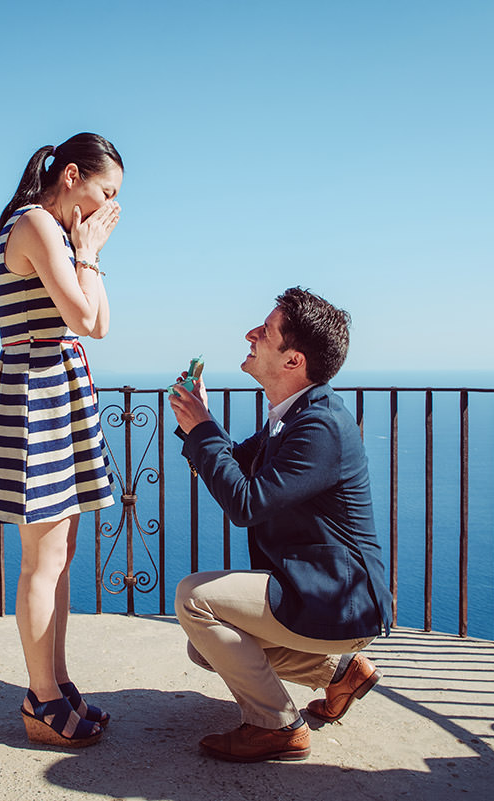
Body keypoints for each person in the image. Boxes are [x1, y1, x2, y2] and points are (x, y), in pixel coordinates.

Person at [167, 287, 393, 763]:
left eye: (265, 331)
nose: (251, 334)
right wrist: (198, 424)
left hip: (338, 600)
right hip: (320, 593)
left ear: (294, 360)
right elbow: (235, 463)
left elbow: (246, 503)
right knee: (204, 650)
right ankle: (341, 673)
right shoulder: (290, 418)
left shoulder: (319, 427)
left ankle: (275, 726)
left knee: (194, 598)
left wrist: (203, 427)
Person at [0, 133, 123, 748]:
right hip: (37, 393)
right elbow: (85, 319)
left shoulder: (61, 236)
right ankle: (41, 699)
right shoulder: (34, 224)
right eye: (105, 191)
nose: (109, 205)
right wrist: (88, 253)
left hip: (58, 387)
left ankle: (57, 685)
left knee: (58, 560)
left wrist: (88, 251)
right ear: (69, 175)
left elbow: (101, 325)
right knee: (42, 560)